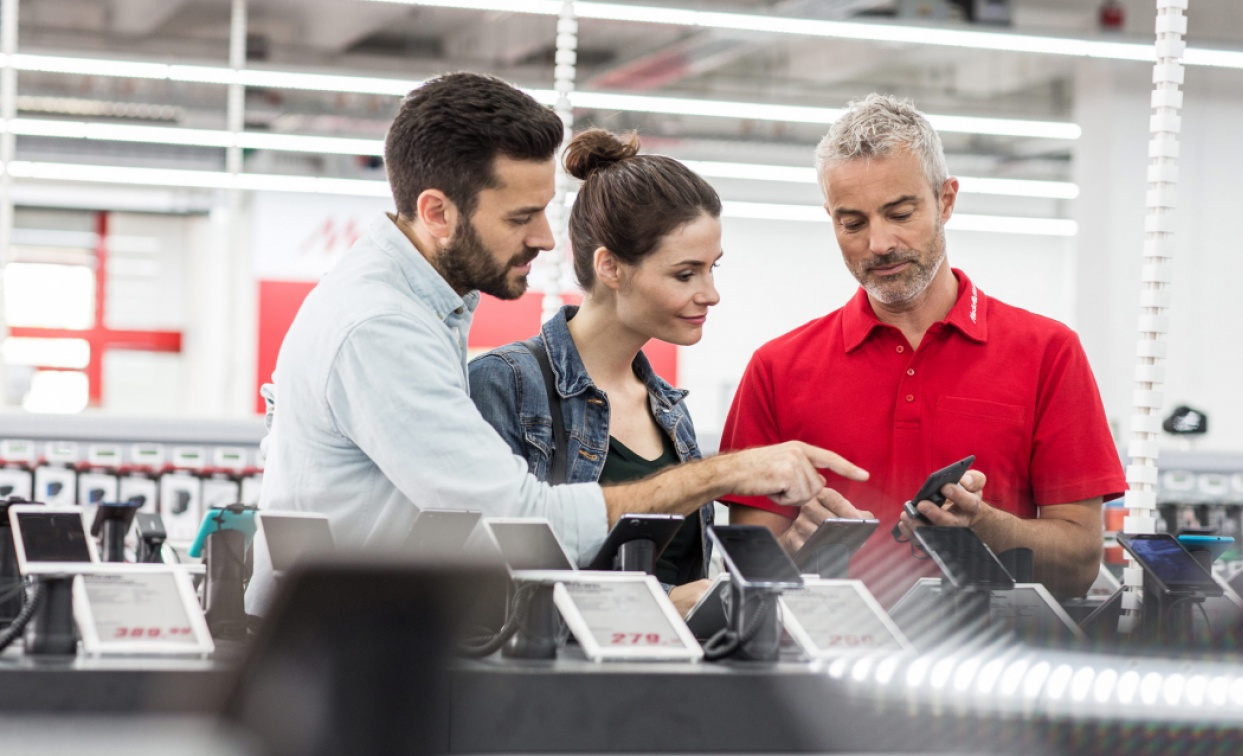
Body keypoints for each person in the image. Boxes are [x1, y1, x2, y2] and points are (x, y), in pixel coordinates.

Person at [248, 73, 867, 610]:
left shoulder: (430, 305)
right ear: (437, 213)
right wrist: (723, 474)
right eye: (520, 217)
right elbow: (518, 526)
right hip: (345, 649)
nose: (547, 239)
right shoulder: (381, 328)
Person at [721, 94, 1126, 606]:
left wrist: (984, 526)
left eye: (900, 212)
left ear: (947, 200)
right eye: (852, 222)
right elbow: (746, 576)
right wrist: (798, 545)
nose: (879, 242)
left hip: (985, 672)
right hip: (819, 674)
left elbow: (1079, 567)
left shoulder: (1049, 353)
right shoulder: (776, 370)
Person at [469, 128, 721, 616]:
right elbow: (489, 588)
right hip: (551, 686)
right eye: (686, 274)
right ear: (610, 267)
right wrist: (662, 605)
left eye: (714, 269)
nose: (710, 293)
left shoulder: (671, 410)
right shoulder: (505, 385)